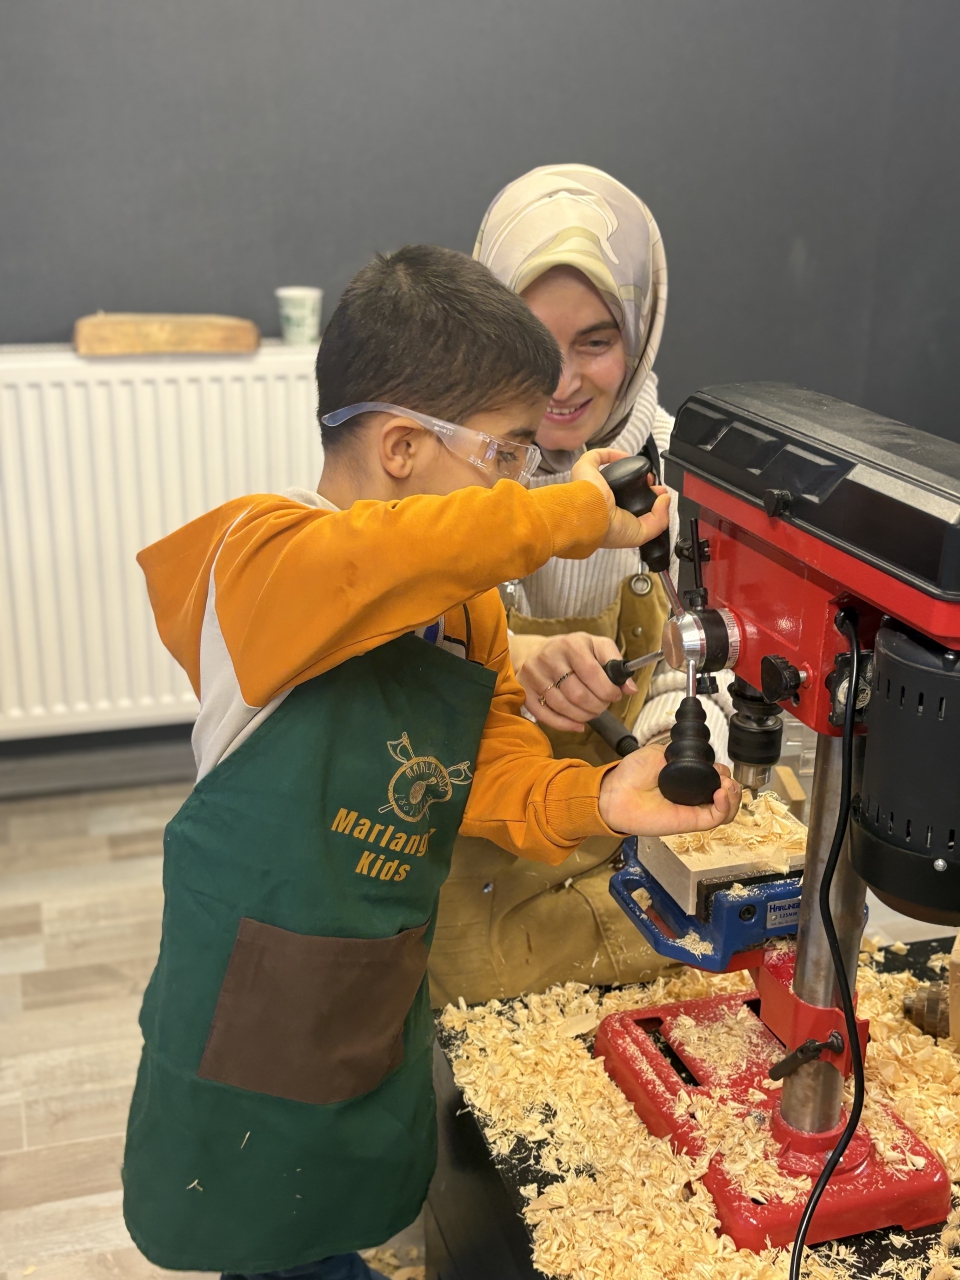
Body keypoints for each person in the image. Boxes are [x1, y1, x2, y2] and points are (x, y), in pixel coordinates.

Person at [121, 244, 741, 1280]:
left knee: (337, 1209)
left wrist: (602, 796)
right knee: (259, 1228)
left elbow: (494, 777)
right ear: (403, 447)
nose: (522, 478)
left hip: (375, 978)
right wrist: (574, 512)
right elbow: (386, 556)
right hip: (249, 1009)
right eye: (507, 453)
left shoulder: (464, 614)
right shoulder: (264, 558)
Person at [428, 166, 732, 1008]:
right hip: (483, 831)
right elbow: (378, 673)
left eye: (595, 343)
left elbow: (705, 670)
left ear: (642, 334)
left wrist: (674, 743)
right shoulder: (437, 470)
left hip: (637, 824)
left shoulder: (683, 472)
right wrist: (510, 661)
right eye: (530, 343)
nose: (561, 383)